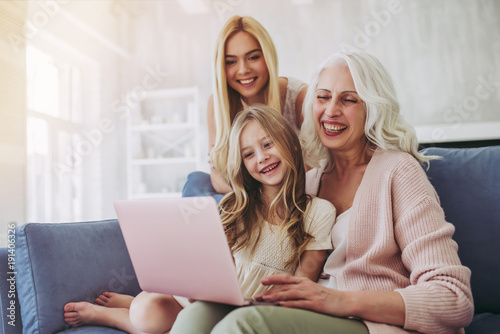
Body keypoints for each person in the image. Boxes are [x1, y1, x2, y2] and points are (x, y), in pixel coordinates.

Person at [169, 51, 475, 334]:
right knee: (196, 317)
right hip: (310, 314)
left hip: (371, 323)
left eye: (349, 100)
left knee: (247, 324)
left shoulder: (399, 171)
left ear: (373, 107)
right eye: (323, 97)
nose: (331, 111)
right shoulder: (305, 181)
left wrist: (339, 300)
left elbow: (454, 297)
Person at [64, 105, 335, 333]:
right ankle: (121, 309)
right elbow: (211, 267)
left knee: (149, 314)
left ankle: (124, 308)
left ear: (290, 144)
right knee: (148, 309)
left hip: (253, 311)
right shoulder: (234, 206)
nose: (262, 158)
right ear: (242, 165)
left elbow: (305, 286)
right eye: (249, 154)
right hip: (207, 300)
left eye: (267, 144)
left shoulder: (319, 212)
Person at [182, 15, 307, 203]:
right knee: (195, 182)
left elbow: (313, 174)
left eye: (253, 57)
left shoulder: (298, 97)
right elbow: (217, 174)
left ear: (268, 57)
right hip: (245, 196)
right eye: (231, 61)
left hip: (285, 194)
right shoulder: (216, 105)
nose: (243, 70)